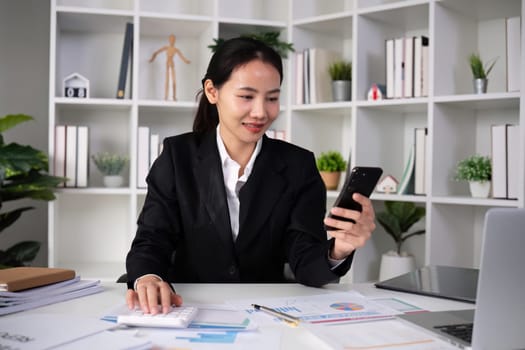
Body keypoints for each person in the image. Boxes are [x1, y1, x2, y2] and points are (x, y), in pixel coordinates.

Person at [126, 37, 377, 314]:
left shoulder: (298, 165)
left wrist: (339, 249)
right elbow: (151, 240)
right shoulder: (177, 157)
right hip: (188, 309)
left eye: (272, 98)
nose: (260, 112)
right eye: (246, 96)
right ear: (212, 91)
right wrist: (149, 277)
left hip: (265, 313)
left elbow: (306, 263)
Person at [149, 34, 190, 101]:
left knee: (174, 81)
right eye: (171, 39)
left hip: (172, 65)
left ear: (174, 40)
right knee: (167, 81)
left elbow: (182, 57)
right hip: (167, 65)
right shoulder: (166, 48)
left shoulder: (176, 49)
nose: (172, 41)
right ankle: (166, 96)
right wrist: (152, 59)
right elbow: (156, 52)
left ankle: (174, 96)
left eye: (173, 39)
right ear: (169, 40)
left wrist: (186, 61)